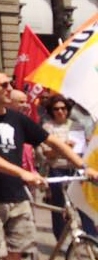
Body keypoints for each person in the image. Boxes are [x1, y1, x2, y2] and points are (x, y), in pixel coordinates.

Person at [0, 70, 98, 260]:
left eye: (10, 84)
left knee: (16, 254)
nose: (10, 89)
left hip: (17, 197)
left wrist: (84, 166)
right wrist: (22, 173)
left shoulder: (18, 119)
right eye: (4, 85)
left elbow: (54, 142)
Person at [40, 94, 96, 240]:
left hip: (76, 169)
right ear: (51, 111)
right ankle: (60, 238)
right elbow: (47, 154)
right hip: (58, 169)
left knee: (82, 202)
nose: (60, 111)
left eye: (63, 108)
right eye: (56, 109)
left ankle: (91, 238)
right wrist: (63, 147)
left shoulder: (77, 125)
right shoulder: (47, 128)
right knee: (59, 206)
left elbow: (85, 149)